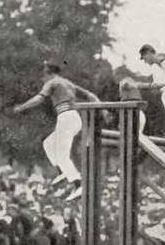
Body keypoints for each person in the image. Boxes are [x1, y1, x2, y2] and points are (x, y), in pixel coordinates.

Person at [11, 60, 100, 202]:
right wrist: (103, 109)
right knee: (48, 143)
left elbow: (39, 99)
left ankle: (79, 185)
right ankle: (63, 172)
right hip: (74, 118)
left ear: (48, 72)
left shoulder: (52, 82)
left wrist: (21, 107)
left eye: (43, 75)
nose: (42, 78)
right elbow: (90, 95)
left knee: (62, 155)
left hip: (66, 117)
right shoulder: (68, 83)